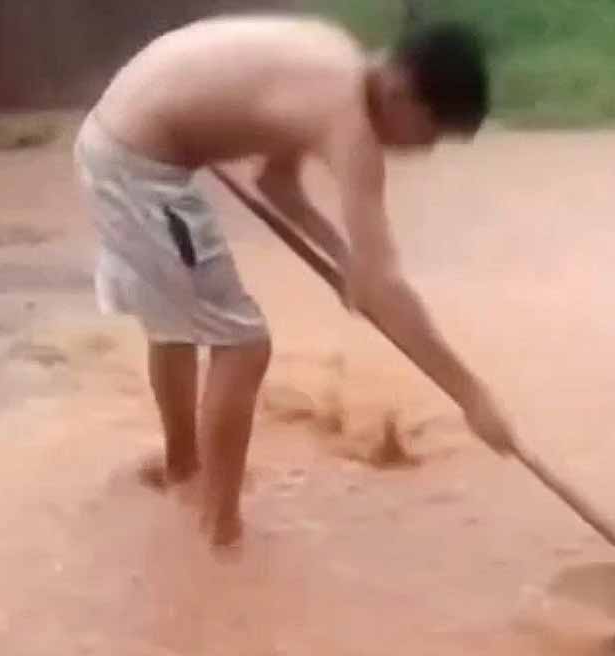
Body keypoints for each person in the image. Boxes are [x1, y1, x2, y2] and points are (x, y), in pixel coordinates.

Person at [73, 14, 517, 546]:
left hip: (116, 139)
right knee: (243, 345)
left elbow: (277, 185)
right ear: (401, 93)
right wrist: (472, 397)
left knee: (177, 321)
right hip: (138, 164)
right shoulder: (350, 126)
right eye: (430, 134)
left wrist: (345, 261)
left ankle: (184, 471)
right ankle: (219, 532)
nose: (423, 151)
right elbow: (386, 288)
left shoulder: (337, 61)